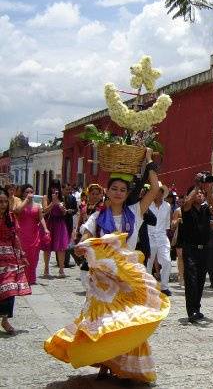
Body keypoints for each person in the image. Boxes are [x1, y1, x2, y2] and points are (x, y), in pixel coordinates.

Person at [45, 149, 169, 383]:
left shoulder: (135, 211)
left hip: (128, 277)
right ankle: (105, 362)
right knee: (102, 321)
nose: (119, 193)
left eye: (123, 190)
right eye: (114, 189)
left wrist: (149, 162)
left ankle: (126, 366)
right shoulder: (97, 217)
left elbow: (154, 189)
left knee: (130, 320)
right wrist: (82, 247)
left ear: (127, 193)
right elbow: (84, 239)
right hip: (103, 280)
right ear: (107, 191)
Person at [180, 177, 213, 323]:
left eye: (200, 194)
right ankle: (191, 311)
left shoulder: (204, 209)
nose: (199, 195)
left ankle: (197, 308)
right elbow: (186, 203)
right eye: (197, 193)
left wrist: (208, 191)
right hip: (190, 248)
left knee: (201, 279)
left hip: (204, 249)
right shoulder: (187, 209)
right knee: (191, 279)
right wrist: (196, 186)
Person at [0, 188, 32, 334]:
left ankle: (5, 320)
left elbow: (15, 237)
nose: (3, 204)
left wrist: (22, 255)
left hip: (9, 258)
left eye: (5, 201)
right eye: (0, 201)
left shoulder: (11, 217)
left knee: (10, 287)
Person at [14, 184, 49, 285]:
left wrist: (46, 229)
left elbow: (41, 218)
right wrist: (26, 201)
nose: (30, 194)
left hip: (34, 233)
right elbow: (18, 210)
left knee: (34, 257)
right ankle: (22, 277)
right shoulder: (20, 202)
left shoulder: (37, 205)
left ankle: (31, 277)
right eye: (27, 192)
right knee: (23, 256)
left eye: (31, 192)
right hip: (22, 234)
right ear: (23, 194)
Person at [147, 183, 172, 296]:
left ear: (162, 193)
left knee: (167, 261)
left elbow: (167, 224)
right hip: (149, 235)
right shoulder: (147, 204)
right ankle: (146, 286)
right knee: (149, 262)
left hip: (162, 236)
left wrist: (166, 239)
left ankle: (164, 286)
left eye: (160, 191)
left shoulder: (167, 206)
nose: (158, 194)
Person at [41, 180, 69, 278]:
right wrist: (53, 202)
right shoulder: (46, 197)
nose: (55, 189)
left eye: (57, 187)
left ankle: (61, 269)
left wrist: (62, 207)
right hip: (50, 223)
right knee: (47, 247)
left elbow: (64, 213)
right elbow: (45, 210)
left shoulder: (62, 198)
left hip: (60, 223)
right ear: (50, 187)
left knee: (61, 247)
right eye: (53, 187)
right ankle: (46, 268)